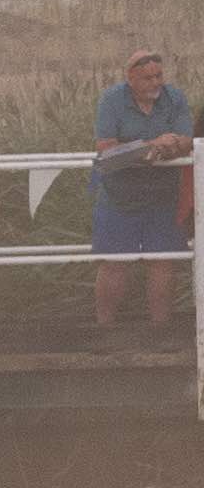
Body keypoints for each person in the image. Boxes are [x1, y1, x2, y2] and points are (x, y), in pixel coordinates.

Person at [94, 48, 193, 332]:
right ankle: (105, 331)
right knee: (114, 263)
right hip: (119, 196)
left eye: (159, 76)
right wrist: (150, 146)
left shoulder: (175, 97)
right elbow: (105, 149)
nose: (155, 83)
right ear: (130, 79)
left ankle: (160, 331)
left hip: (164, 195)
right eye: (147, 78)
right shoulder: (111, 100)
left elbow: (187, 139)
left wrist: (172, 145)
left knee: (163, 262)